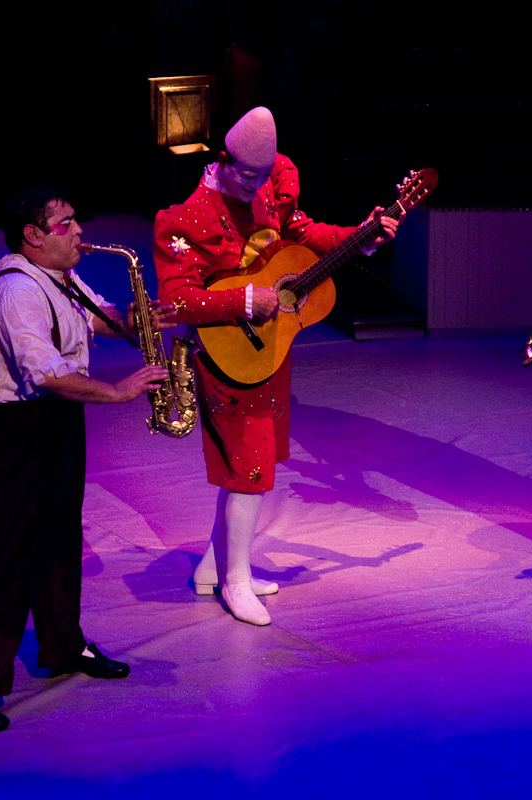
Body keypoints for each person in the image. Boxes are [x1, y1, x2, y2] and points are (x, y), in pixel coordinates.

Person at [153, 106, 400, 626]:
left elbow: (303, 233)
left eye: (263, 177)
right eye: (247, 177)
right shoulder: (187, 219)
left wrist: (361, 235)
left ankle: (213, 569)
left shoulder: (273, 185)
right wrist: (245, 301)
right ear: (223, 161)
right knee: (250, 467)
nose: (256, 187)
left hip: (267, 350)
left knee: (251, 465)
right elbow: (176, 301)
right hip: (225, 355)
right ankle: (236, 581)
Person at [0, 187, 171, 732]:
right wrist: (118, 391)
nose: (79, 231)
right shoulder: (16, 291)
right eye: (65, 224)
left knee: (59, 538)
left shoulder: (59, 275)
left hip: (55, 420)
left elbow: (94, 316)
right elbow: (45, 373)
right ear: (33, 235)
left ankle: (64, 646)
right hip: (6, 432)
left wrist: (136, 319)